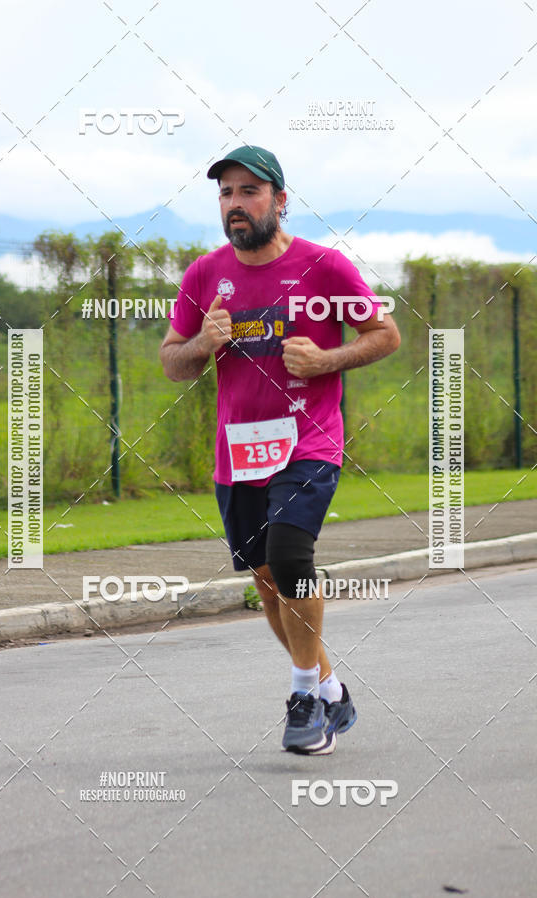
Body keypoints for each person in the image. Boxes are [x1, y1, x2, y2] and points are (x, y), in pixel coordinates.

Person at [160, 146, 400, 754]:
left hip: (308, 439)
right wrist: (201, 345)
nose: (235, 204)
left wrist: (327, 360)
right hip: (238, 452)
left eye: (249, 192)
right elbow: (171, 363)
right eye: (225, 194)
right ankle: (330, 689)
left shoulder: (324, 267)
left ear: (280, 199)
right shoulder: (204, 276)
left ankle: (301, 703)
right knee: (268, 585)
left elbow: (384, 334)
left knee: (291, 556)